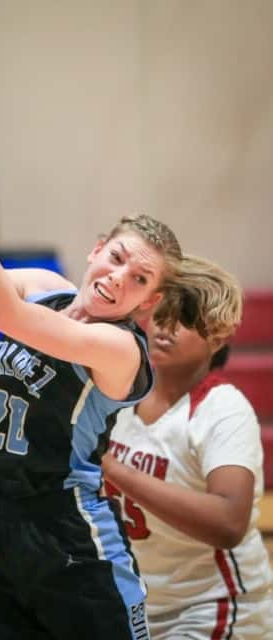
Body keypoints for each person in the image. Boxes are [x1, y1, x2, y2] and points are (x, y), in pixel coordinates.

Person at [0, 121, 195, 640]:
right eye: (117, 258)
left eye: (139, 280)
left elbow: (5, 314)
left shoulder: (121, 347)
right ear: (96, 249)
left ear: (147, 303)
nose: (118, 277)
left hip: (71, 543)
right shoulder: (44, 288)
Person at [100, 256, 273, 639]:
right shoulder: (120, 397)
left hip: (217, 607)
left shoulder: (222, 408)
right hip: (140, 604)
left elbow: (228, 522)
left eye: (185, 319)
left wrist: (115, 470)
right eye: (162, 315)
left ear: (218, 336)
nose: (166, 328)